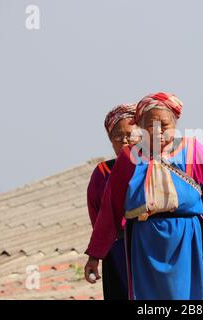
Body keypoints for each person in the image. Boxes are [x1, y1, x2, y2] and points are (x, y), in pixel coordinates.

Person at [85, 92, 203, 300]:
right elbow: (110, 208)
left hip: (187, 238)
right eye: (151, 126)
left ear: (175, 124)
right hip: (145, 241)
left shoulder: (193, 151)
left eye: (165, 125)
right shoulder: (129, 158)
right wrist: (95, 255)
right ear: (140, 127)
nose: (158, 131)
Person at [86, 103, 140, 300]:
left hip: (149, 245)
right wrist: (96, 253)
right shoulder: (102, 173)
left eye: (131, 135)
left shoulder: (153, 168)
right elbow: (98, 217)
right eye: (118, 137)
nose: (125, 141)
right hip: (117, 251)